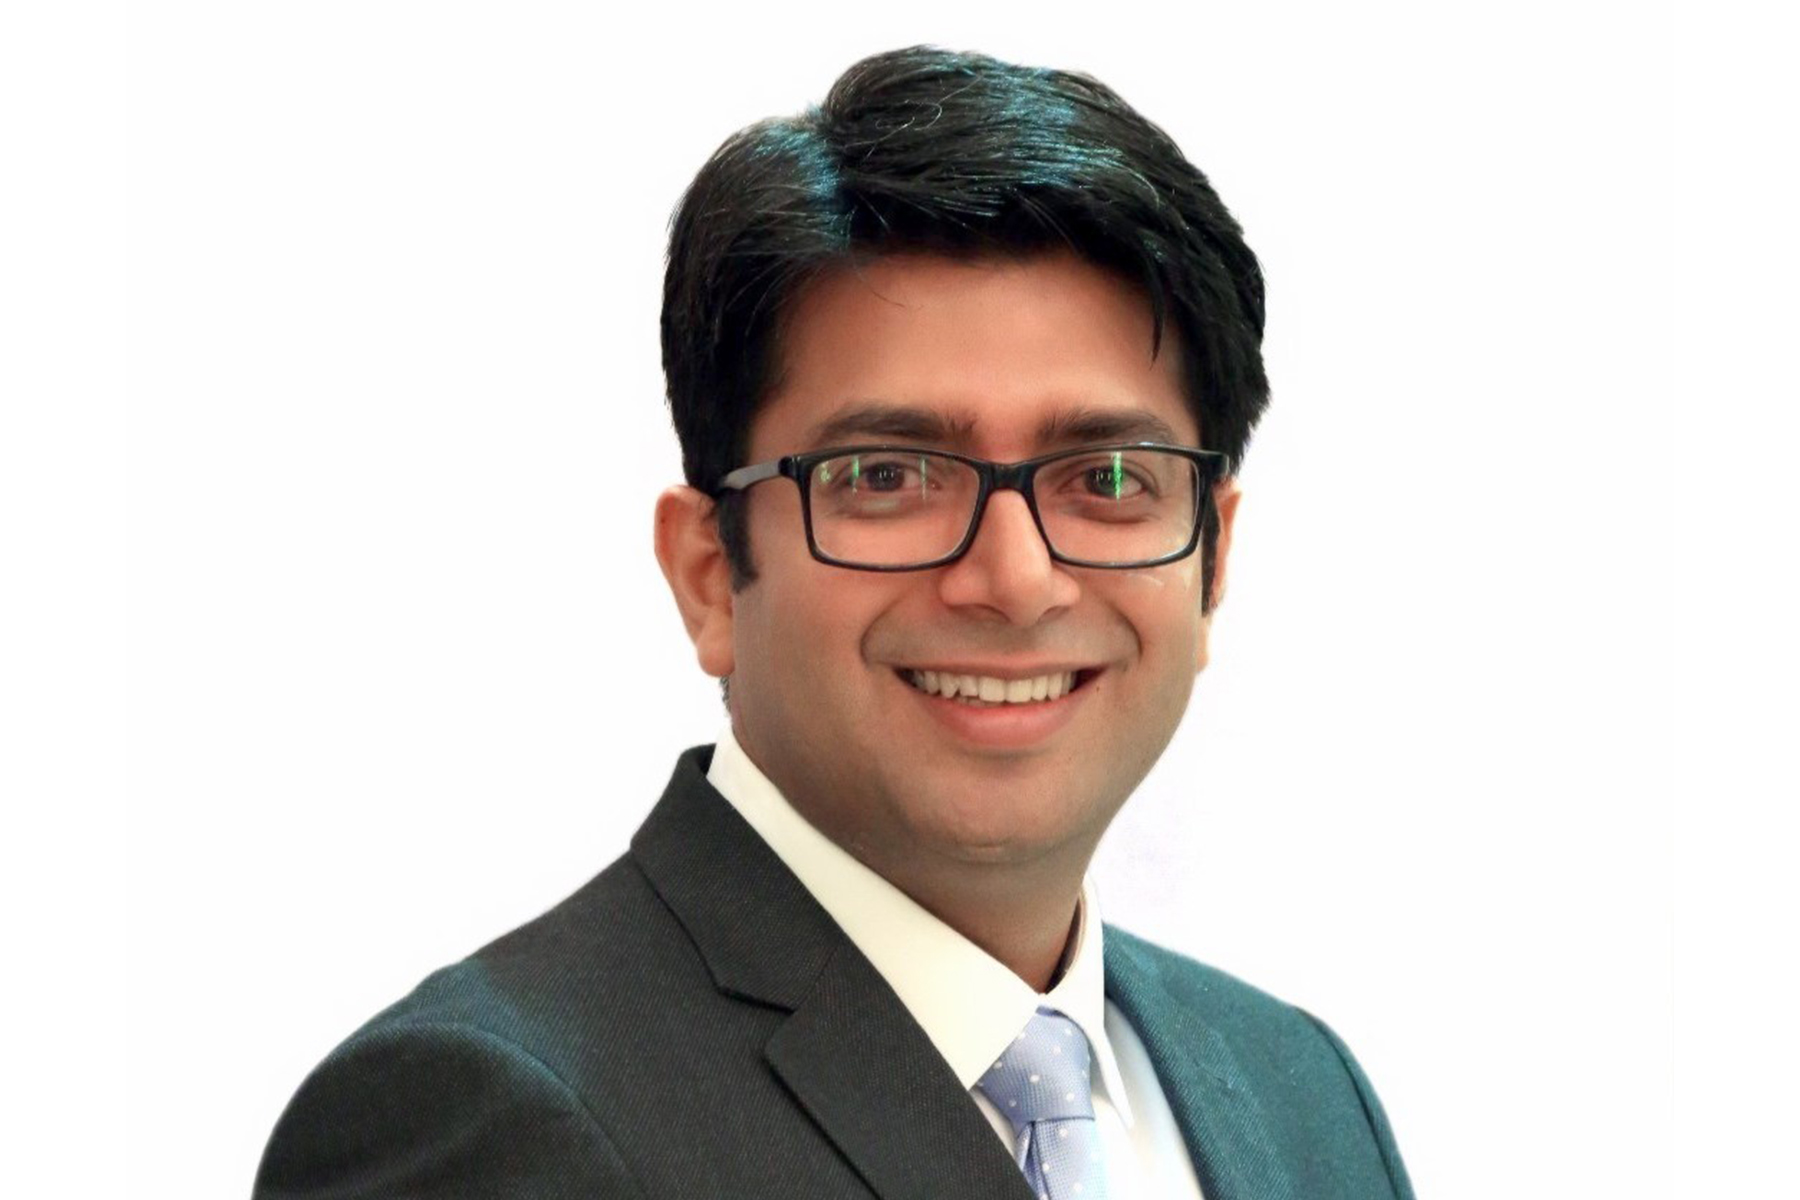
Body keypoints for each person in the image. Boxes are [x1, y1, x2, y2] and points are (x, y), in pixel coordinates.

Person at [253, 45, 1415, 1200]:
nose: (1016, 581)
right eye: (888, 477)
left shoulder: (1302, 1096)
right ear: (711, 572)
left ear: (1213, 559)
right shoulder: (491, 1123)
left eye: (1108, 479)